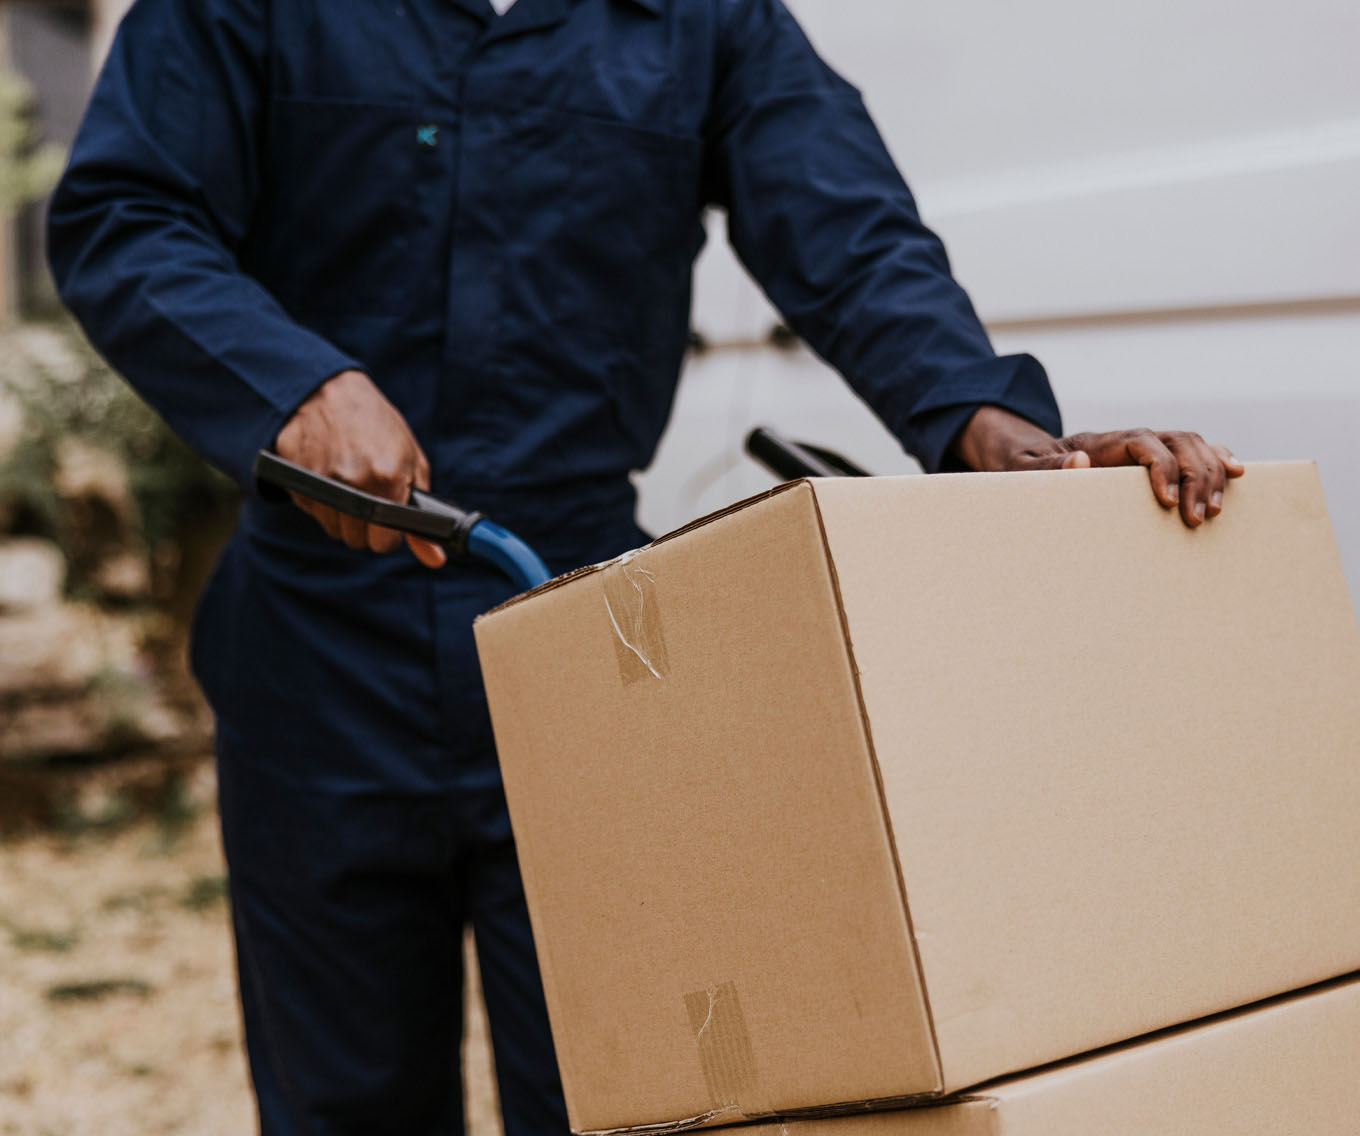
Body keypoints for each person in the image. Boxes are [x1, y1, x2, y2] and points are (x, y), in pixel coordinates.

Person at [47, 0, 1243, 1132]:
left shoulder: (701, 19)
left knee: (618, 1088)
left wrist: (990, 426)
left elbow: (849, 230)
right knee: (345, 1100)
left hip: (584, 632)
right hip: (320, 639)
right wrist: (295, 384)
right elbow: (126, 210)